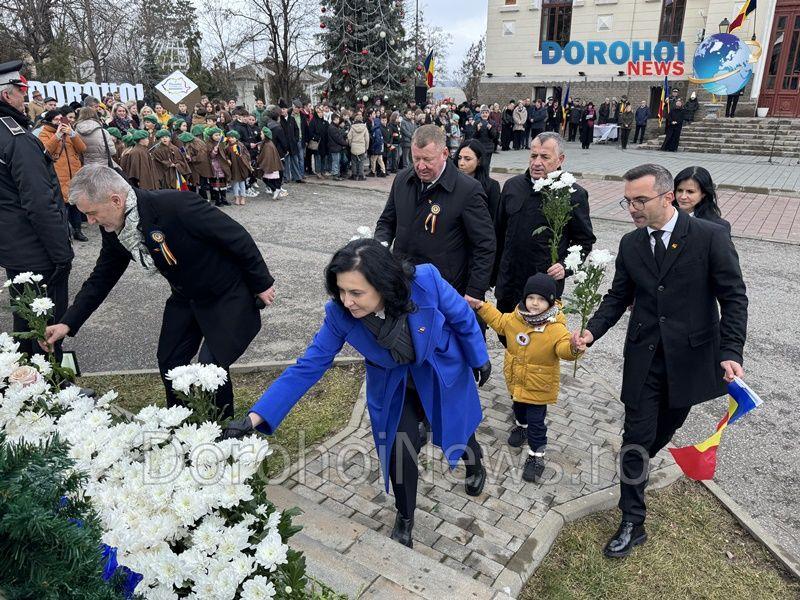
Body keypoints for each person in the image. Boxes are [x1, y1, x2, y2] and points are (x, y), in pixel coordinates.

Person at [222, 239, 491, 548]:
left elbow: (461, 316)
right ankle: (405, 515)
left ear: (383, 284)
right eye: (341, 290)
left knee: (458, 427)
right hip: (394, 384)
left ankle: (475, 463)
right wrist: (255, 417)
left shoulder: (425, 280)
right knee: (399, 449)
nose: (347, 301)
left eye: (356, 293)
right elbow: (308, 365)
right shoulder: (339, 314)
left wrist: (479, 357)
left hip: (437, 369)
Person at [571, 163, 748, 559]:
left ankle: (638, 463)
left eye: (640, 200)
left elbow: (734, 297)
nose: (632, 208)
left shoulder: (709, 237)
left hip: (689, 359)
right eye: (628, 201)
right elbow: (618, 296)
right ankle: (632, 520)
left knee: (663, 430)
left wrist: (731, 351)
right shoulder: (631, 244)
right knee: (635, 436)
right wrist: (591, 332)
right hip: (644, 357)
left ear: (668, 197)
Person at [43, 165, 277, 420]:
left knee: (211, 367)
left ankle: (221, 428)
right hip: (186, 295)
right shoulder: (116, 228)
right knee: (170, 360)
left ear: (116, 200)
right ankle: (182, 420)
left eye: (91, 213)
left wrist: (262, 283)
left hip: (227, 292)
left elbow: (236, 237)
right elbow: (102, 277)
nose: (90, 221)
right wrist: (67, 322)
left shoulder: (176, 205)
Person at [466, 273, 580, 481]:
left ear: (550, 302)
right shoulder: (517, 317)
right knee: (518, 408)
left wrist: (573, 348)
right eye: (531, 298)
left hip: (539, 386)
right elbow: (499, 322)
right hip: (517, 381)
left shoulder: (555, 328)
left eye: (541, 299)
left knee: (537, 422)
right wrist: (481, 306)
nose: (535, 303)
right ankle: (521, 427)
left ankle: (536, 456)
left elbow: (563, 349)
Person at [0, 59, 74, 360]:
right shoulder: (16, 138)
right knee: (46, 325)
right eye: (21, 90)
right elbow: (39, 202)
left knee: (26, 320)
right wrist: (61, 254)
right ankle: (52, 383)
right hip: (36, 248)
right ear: (6, 95)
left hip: (14, 246)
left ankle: (27, 378)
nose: (25, 97)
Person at [375, 124, 496, 301]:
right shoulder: (402, 179)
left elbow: (484, 244)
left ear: (445, 154)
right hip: (402, 281)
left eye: (427, 159)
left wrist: (475, 290)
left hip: (444, 288)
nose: (420, 166)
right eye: (416, 158)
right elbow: (387, 221)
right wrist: (380, 248)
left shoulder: (468, 190)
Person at [494, 132, 595, 322]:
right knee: (506, 332)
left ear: (560, 159)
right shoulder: (512, 186)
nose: (537, 162)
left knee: (539, 338)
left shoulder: (573, 194)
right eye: (533, 156)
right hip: (510, 282)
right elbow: (498, 233)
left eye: (545, 157)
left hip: (542, 288)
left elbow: (584, 240)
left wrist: (565, 266)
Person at [38, 108, 89, 242]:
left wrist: (72, 134)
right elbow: (45, 151)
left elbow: (82, 148)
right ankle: (65, 232)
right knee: (63, 206)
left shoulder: (69, 132)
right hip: (58, 174)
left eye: (61, 119)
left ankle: (78, 230)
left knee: (75, 204)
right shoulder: (44, 133)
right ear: (49, 121)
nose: (59, 122)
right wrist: (57, 136)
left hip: (74, 173)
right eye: (56, 120)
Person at [455, 139, 501, 243]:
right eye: (459, 158)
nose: (461, 163)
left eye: (467, 159)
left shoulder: (491, 186)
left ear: (479, 161)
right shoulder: (451, 183)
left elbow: (493, 220)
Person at [673, 166, 730, 232]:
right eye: (679, 190)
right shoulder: (665, 216)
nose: (683, 197)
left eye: (690, 192)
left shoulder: (718, 227)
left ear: (703, 193)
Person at [473, 105, 499, 172]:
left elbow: (494, 136)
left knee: (486, 165)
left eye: (486, 113)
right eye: (483, 113)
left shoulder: (492, 123)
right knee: (479, 164)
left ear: (488, 113)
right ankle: (479, 177)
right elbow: (473, 136)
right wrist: (477, 130)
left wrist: (490, 129)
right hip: (479, 147)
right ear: (480, 114)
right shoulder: (476, 123)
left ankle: (486, 177)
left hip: (488, 147)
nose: (484, 114)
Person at [346, 115, 369, 181]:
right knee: (361, 162)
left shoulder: (352, 127)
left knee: (354, 162)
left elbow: (349, 137)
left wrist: (350, 144)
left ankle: (354, 175)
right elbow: (367, 139)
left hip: (354, 146)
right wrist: (366, 147)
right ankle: (361, 175)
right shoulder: (364, 128)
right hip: (361, 146)